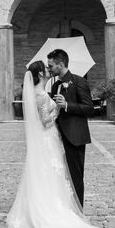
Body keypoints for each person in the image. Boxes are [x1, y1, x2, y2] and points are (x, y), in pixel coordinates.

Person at [7, 60, 115, 228]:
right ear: (41, 74)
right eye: (46, 68)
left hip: (50, 138)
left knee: (50, 172)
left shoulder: (45, 90)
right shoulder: (40, 94)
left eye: (51, 66)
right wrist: (58, 107)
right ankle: (52, 209)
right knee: (52, 172)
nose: (49, 70)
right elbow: (45, 121)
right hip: (48, 137)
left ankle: (52, 205)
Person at [47, 49, 93, 207]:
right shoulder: (55, 86)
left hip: (75, 137)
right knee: (62, 177)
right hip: (58, 137)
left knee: (76, 177)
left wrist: (67, 105)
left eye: (51, 66)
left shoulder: (79, 81)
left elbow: (89, 108)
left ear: (61, 64)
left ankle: (79, 211)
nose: (49, 69)